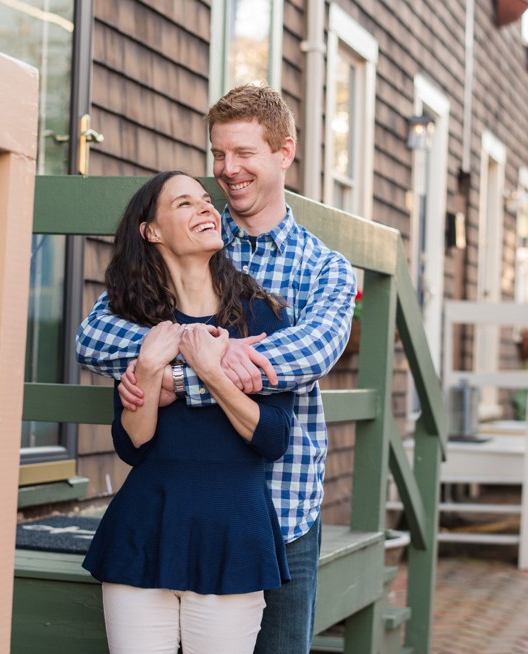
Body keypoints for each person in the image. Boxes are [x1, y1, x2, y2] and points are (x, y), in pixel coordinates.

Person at [77, 84, 357, 653]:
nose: (228, 171)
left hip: (283, 504)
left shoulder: (325, 267)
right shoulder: (194, 236)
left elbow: (311, 355)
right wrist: (195, 345)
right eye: (219, 154)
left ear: (284, 153)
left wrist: (187, 377)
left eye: (245, 154)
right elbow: (97, 336)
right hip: (179, 501)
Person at [82, 170, 294, 653]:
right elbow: (132, 444)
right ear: (151, 231)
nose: (204, 208)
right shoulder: (135, 321)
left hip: (232, 533)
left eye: (205, 201)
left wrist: (209, 371)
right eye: (184, 203)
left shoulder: (261, 314)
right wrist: (152, 365)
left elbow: (273, 438)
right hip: (144, 527)